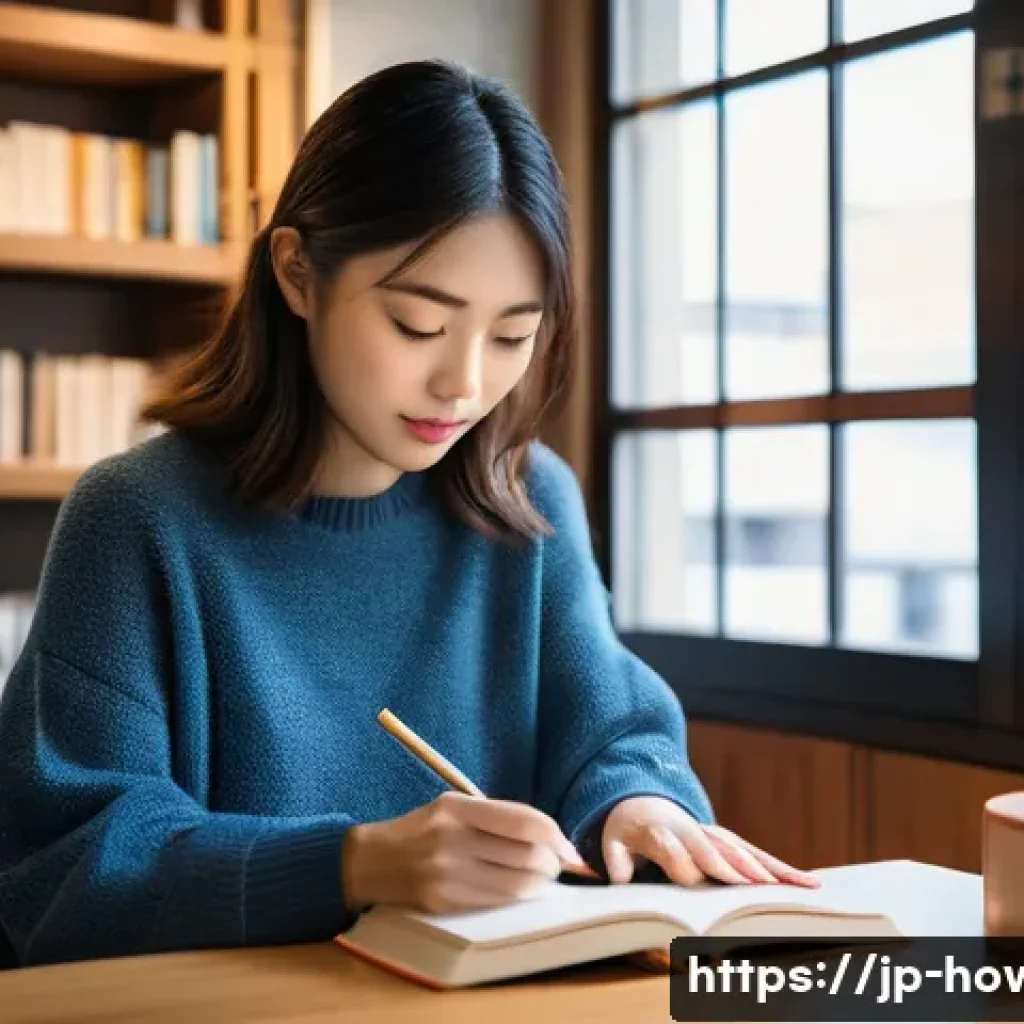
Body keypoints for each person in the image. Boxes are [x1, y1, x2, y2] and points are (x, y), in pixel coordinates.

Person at [0, 59, 816, 969]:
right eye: (419, 326)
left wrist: (640, 804)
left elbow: (613, 729)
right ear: (298, 273)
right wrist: (356, 863)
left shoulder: (527, 499)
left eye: (512, 335)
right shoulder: (138, 520)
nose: (463, 383)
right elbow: (62, 869)